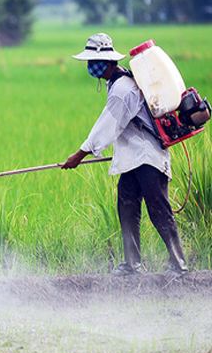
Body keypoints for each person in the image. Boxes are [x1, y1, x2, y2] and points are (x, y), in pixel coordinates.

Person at [61, 33, 188, 277]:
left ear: (108, 62)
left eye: (94, 62)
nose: (91, 67)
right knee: (127, 207)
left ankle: (179, 265)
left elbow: (108, 125)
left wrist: (79, 154)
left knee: (159, 210)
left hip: (147, 157)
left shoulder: (122, 89)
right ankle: (132, 265)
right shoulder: (117, 82)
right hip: (133, 158)